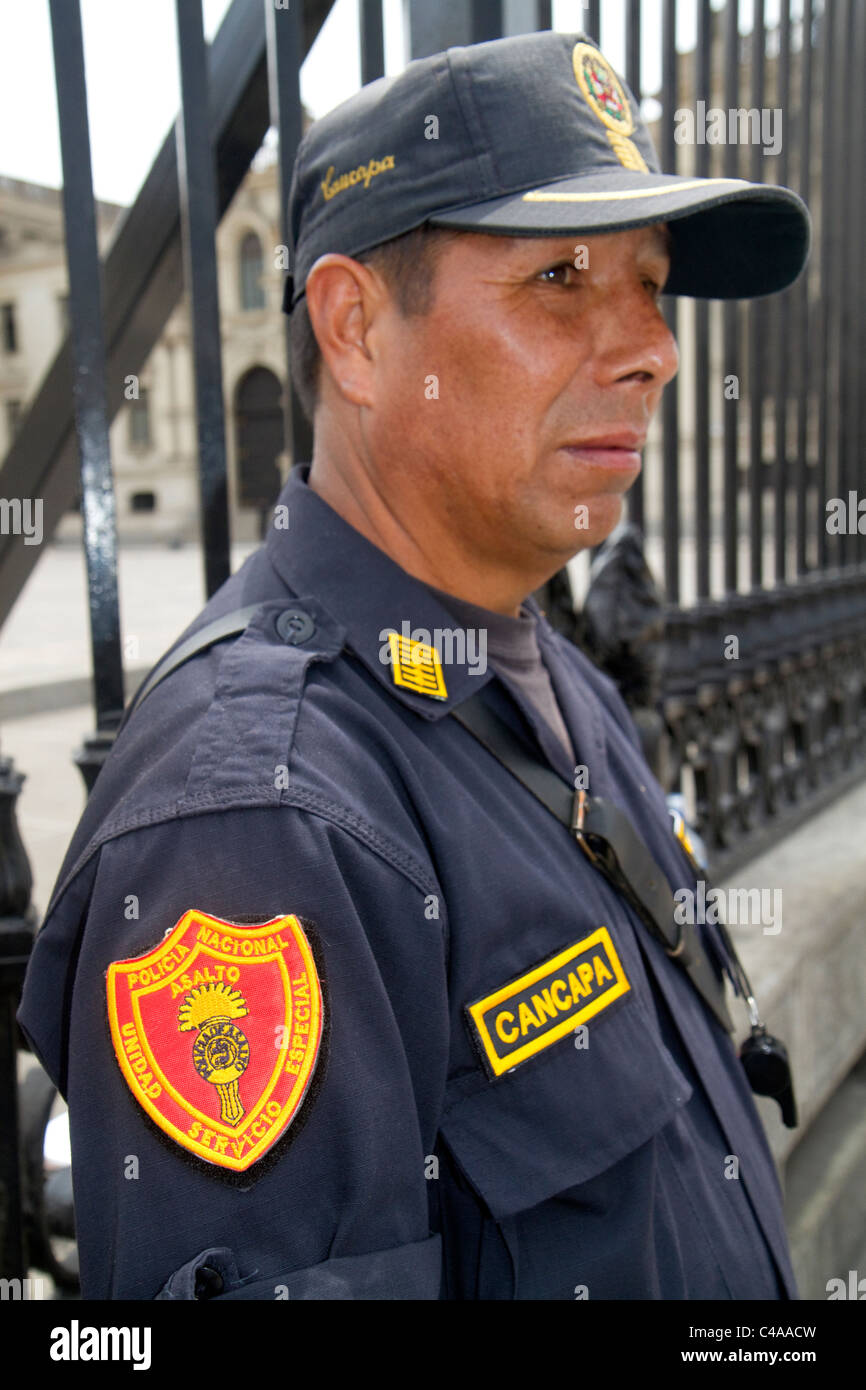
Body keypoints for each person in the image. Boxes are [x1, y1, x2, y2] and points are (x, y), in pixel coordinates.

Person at [19, 29, 811, 1300]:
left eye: (649, 286)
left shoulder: (540, 669)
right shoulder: (257, 820)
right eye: (560, 275)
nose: (650, 349)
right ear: (356, 329)